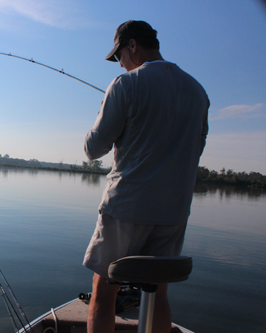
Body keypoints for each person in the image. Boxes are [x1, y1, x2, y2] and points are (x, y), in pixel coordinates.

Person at [82, 20, 209, 333]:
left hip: (126, 208)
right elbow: (196, 150)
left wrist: (102, 111)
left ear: (133, 46)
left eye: (119, 56)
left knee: (104, 293)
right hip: (174, 213)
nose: (120, 64)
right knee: (158, 292)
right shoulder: (198, 92)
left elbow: (93, 149)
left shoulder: (124, 85)